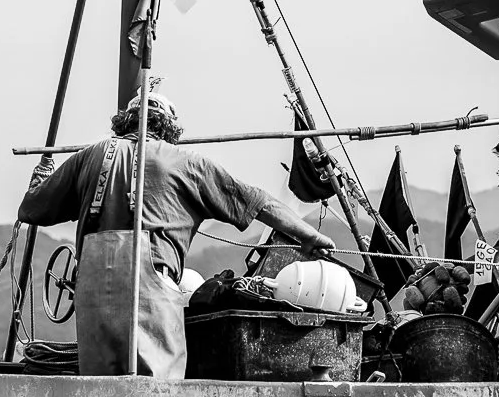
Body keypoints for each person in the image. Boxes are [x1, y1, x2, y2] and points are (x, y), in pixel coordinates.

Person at [19, 92, 336, 377]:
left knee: (100, 390)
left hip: (89, 291)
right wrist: (309, 236)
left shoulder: (91, 155)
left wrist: (40, 179)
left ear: (123, 122)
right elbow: (258, 203)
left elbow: (32, 209)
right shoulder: (187, 163)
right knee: (159, 390)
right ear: (169, 130)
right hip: (149, 289)